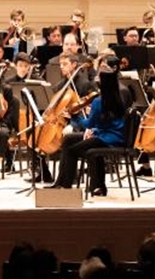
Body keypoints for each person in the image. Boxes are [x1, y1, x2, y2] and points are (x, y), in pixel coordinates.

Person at [50, 56, 127, 196]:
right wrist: (93, 127)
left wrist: (76, 116)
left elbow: (89, 124)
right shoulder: (117, 96)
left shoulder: (99, 101)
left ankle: (65, 186)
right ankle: (64, 183)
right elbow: (104, 123)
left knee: (71, 150)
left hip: (106, 139)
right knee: (69, 139)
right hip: (113, 135)